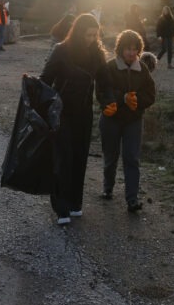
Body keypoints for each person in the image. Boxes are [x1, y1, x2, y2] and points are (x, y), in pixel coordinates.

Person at [41, 13, 107, 225]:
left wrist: (111, 101)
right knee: (64, 158)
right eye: (87, 35)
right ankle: (61, 207)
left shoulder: (97, 54)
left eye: (94, 36)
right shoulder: (62, 50)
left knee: (80, 157)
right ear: (78, 32)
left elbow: (105, 82)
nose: (90, 39)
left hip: (84, 112)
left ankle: (75, 203)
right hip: (62, 113)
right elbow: (45, 80)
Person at [96, 29, 156, 213]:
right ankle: (108, 188)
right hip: (111, 120)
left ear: (139, 49)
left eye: (134, 49)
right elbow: (101, 91)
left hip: (133, 121)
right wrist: (119, 99)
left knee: (131, 158)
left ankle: (132, 199)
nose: (131, 53)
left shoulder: (142, 69)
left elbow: (150, 95)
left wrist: (137, 101)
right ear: (120, 49)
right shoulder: (110, 67)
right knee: (111, 156)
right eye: (127, 49)